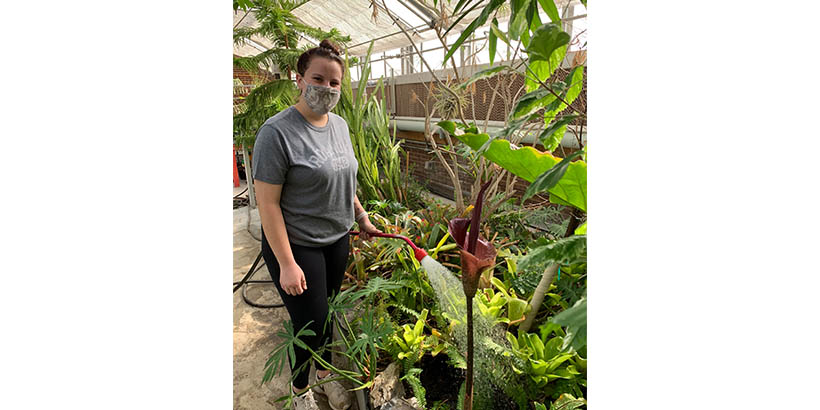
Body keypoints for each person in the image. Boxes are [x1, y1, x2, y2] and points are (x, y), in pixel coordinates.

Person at [252, 39, 382, 410]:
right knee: (309, 325)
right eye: (318, 78)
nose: (326, 88)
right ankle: (299, 391)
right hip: (295, 245)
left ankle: (325, 378)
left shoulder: (340, 125)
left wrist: (361, 216)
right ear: (300, 78)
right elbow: (268, 204)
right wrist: (288, 264)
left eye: (334, 82)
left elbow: (345, 178)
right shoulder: (276, 133)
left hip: (336, 238)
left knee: (327, 313)